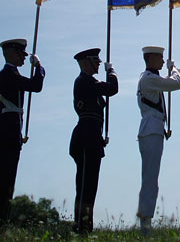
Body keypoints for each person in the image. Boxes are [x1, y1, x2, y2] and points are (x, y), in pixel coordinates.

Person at [0, 38, 45, 226]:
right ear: (11, 53)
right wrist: (39, 67)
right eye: (21, 53)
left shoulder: (12, 74)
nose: (23, 57)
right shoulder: (7, 74)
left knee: (7, 183)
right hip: (6, 134)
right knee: (3, 183)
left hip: (11, 133)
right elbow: (36, 86)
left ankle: (0, 222)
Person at [135, 46, 180, 234]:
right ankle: (145, 226)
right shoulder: (148, 78)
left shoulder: (148, 78)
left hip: (153, 127)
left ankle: (146, 223)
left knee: (150, 178)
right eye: (160, 58)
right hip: (151, 128)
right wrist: (175, 69)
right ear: (151, 59)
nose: (163, 62)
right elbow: (176, 84)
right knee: (150, 179)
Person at [69, 48, 118, 234]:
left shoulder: (90, 82)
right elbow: (112, 88)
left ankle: (85, 226)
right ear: (85, 63)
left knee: (90, 186)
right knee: (84, 186)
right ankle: (81, 226)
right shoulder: (83, 81)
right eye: (95, 61)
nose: (98, 63)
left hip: (92, 136)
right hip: (85, 136)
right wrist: (112, 72)